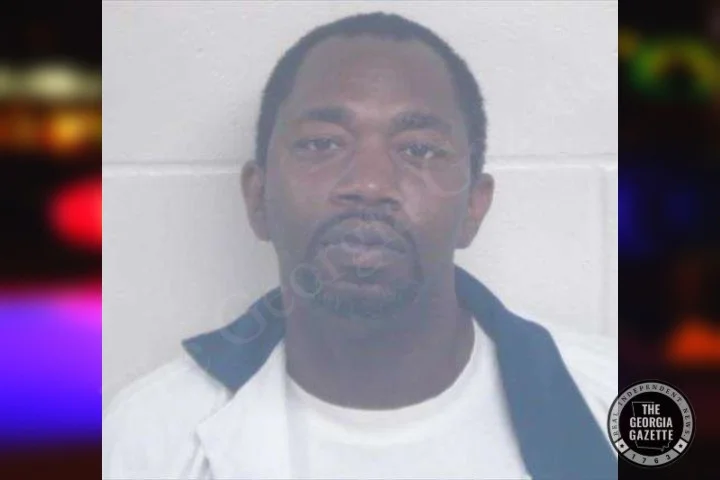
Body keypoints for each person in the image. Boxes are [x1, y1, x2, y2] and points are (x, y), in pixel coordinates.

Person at [103, 12, 617, 480]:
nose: (370, 184)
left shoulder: (612, 403)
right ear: (258, 198)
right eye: (322, 143)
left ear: (473, 208)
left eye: (419, 150)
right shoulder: (146, 440)